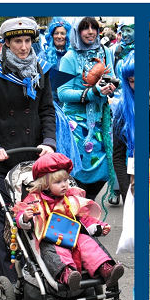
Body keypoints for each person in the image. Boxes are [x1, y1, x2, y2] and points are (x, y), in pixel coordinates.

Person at [0, 17, 58, 282]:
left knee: (35, 217)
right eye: (17, 42)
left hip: (32, 156)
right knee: (7, 223)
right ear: (7, 43)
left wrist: (49, 141)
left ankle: (38, 274)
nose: (24, 47)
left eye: (27, 41)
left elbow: (46, 110)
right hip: (1, 158)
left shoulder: (40, 69)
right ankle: (9, 281)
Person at [13, 153, 125, 291]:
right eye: (58, 182)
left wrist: (98, 227)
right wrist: (25, 217)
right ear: (45, 184)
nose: (64, 185)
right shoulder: (35, 200)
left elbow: (82, 218)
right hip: (50, 238)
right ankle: (68, 275)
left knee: (88, 243)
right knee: (58, 253)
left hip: (73, 234)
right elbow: (19, 215)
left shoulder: (70, 197)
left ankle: (106, 269)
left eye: (66, 180)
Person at [58, 17, 117, 200]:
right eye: (85, 28)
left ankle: (86, 206)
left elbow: (112, 77)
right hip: (77, 125)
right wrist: (92, 92)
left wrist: (112, 87)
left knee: (104, 168)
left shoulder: (106, 51)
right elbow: (62, 93)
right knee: (77, 172)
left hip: (101, 122)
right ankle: (78, 213)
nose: (90, 31)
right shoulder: (69, 57)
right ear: (77, 32)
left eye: (94, 27)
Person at [111, 52, 135, 204]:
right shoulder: (122, 109)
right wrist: (126, 192)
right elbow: (118, 156)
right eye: (132, 81)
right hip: (132, 178)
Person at [40, 17, 71, 92]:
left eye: (62, 33)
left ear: (67, 36)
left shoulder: (73, 55)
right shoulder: (43, 56)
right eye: (56, 33)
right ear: (52, 36)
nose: (59, 36)